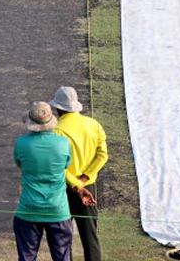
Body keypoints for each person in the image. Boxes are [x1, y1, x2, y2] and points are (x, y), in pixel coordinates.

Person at [50, 86, 108, 261]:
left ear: (59, 109)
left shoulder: (55, 130)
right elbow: (102, 155)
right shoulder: (93, 125)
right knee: (90, 238)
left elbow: (58, 166)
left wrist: (75, 184)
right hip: (88, 188)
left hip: (64, 190)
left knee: (63, 240)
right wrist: (84, 178)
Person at [13, 101, 73, 261]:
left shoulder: (21, 143)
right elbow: (66, 165)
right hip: (58, 210)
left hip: (28, 209)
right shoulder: (63, 143)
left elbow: (20, 164)